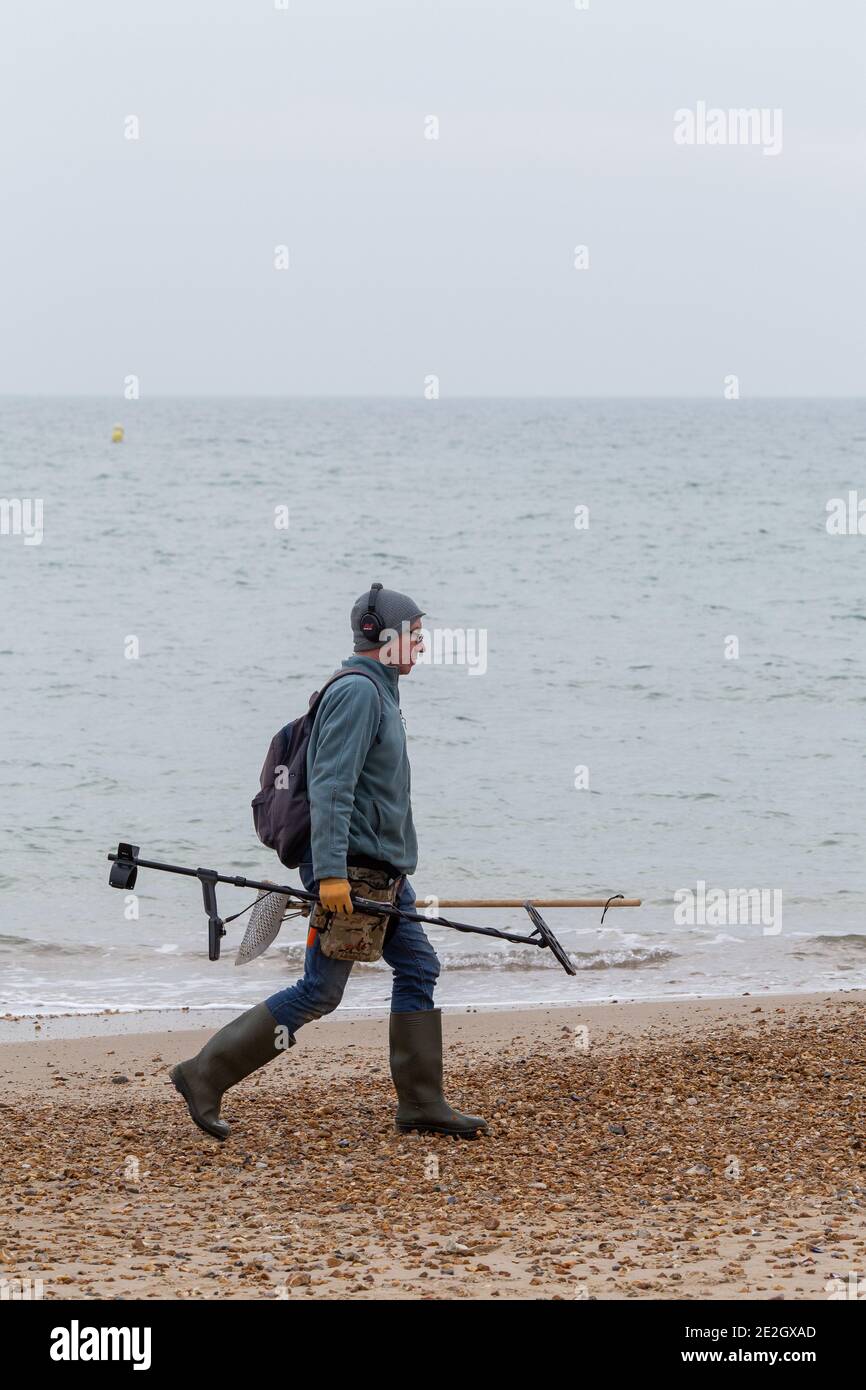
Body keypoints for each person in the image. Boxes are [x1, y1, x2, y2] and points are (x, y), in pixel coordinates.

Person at [170, 585, 487, 1141]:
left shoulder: (383, 692)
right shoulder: (360, 694)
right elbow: (331, 786)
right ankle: (203, 1074)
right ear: (383, 637)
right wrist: (333, 874)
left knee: (418, 968)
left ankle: (421, 1103)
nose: (423, 645)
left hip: (384, 870)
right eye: (415, 634)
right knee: (321, 990)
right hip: (351, 869)